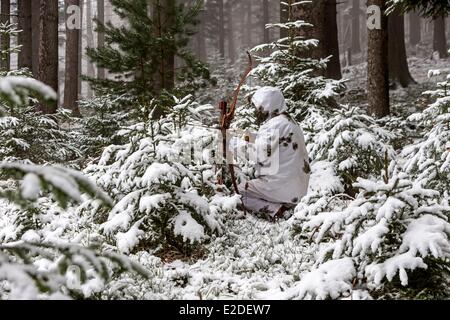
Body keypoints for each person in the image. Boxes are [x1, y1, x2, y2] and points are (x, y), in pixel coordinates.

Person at [230, 86, 310, 221]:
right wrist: (247, 136)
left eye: (258, 107)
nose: (256, 111)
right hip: (294, 184)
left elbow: (258, 154)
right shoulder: (286, 120)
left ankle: (277, 210)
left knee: (237, 192)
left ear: (267, 105)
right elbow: (271, 143)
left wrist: (232, 142)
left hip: (282, 184)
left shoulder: (275, 125)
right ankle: (281, 204)